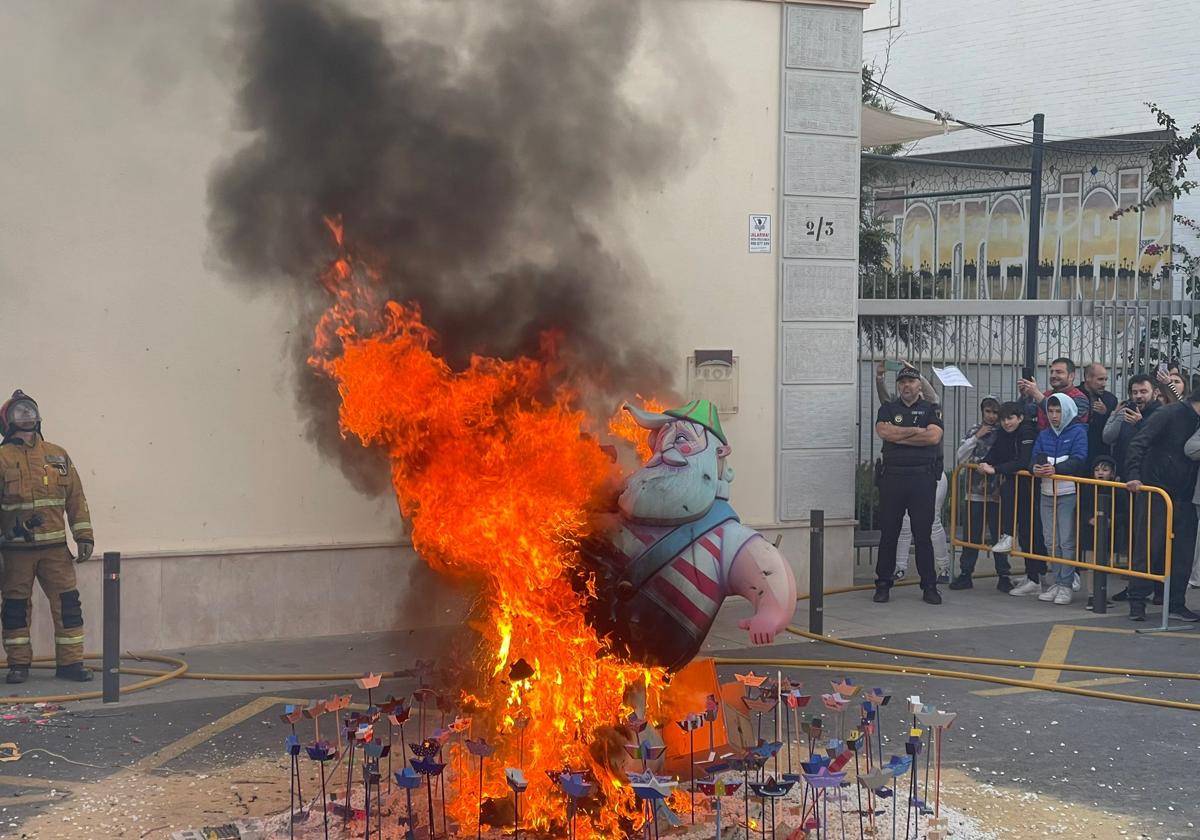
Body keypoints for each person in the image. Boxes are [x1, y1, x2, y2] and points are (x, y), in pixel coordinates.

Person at [0, 391, 95, 683]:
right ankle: (18, 665)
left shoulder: (57, 455)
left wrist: (84, 536)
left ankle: (71, 664)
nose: (26, 415)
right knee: (15, 608)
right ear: (7, 421)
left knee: (68, 605)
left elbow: (75, 498)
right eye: (20, 412)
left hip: (56, 551)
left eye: (30, 410)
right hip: (16, 551)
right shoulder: (2, 458)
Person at [1123, 389, 1200, 622]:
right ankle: (1137, 601)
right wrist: (1134, 475)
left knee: (1183, 554)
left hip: (1186, 495)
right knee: (1148, 548)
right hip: (1156, 490)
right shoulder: (1170, 413)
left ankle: (1176, 603)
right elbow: (1138, 443)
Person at [872, 365, 945, 605]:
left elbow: (933, 437)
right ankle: (883, 584)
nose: (906, 385)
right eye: (902, 381)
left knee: (922, 535)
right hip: (892, 478)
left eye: (911, 382)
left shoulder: (930, 409)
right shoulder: (888, 408)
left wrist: (900, 433)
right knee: (889, 534)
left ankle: (929, 586)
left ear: (919, 385)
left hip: (922, 479)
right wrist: (915, 431)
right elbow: (884, 432)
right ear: (898, 385)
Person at [981, 402, 1046, 595]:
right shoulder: (1004, 433)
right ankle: (1031, 575)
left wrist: (996, 469)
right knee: (1026, 533)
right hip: (1017, 486)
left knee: (1030, 532)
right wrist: (985, 463)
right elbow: (996, 454)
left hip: (1031, 488)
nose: (1006, 423)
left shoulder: (1027, 432)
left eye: (1010, 418)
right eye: (1003, 419)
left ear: (1019, 417)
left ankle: (1035, 578)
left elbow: (1023, 462)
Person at [1029, 393, 1089, 605]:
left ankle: (1066, 585)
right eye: (1051, 411)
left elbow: (1079, 458)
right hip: (1046, 493)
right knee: (1050, 540)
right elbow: (1034, 456)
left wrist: (1056, 469)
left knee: (1066, 540)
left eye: (1058, 411)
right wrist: (1035, 468)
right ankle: (1058, 580)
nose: (1054, 415)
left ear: (1068, 411)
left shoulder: (1078, 432)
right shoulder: (1044, 434)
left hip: (1068, 493)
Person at [949, 396, 1013, 591]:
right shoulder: (974, 430)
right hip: (974, 491)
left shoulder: (1005, 431)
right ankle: (966, 573)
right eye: (988, 411)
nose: (992, 416)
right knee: (971, 535)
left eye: (995, 412)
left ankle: (1003, 575)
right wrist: (976, 437)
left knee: (998, 536)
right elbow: (961, 455)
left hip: (997, 493)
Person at [1103, 374, 1156, 476]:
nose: (1138, 396)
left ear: (1155, 392)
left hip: (1146, 476)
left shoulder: (1161, 413)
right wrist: (1115, 414)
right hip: (1122, 473)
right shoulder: (1127, 411)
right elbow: (1108, 437)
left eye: (1143, 392)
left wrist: (1140, 424)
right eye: (1135, 392)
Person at [1018, 357, 1090, 431]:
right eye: (1051, 372)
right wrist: (1024, 396)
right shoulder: (1047, 394)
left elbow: (1067, 421)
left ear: (1071, 376)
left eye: (1059, 372)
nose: (1053, 376)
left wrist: (1037, 394)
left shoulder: (1080, 398)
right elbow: (1025, 413)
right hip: (1043, 441)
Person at [1082, 363, 1118, 458]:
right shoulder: (1075, 395)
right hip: (1077, 450)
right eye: (1100, 379)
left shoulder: (1110, 399)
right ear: (1087, 378)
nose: (1104, 384)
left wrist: (1106, 414)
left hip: (1100, 454)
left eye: (1105, 379)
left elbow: (1113, 429)